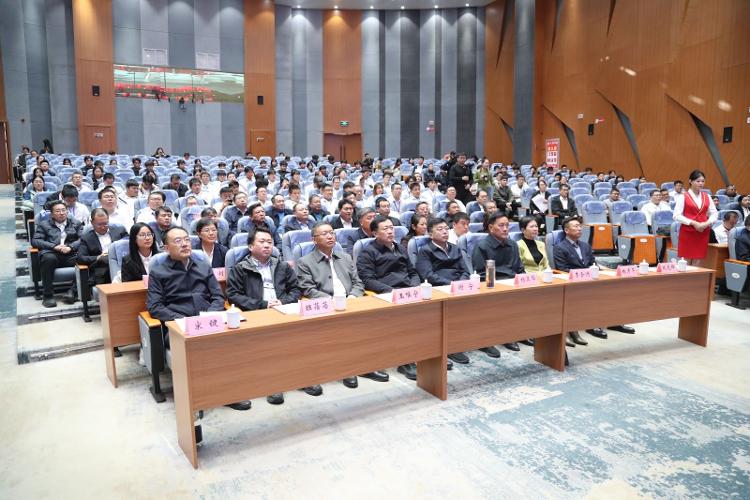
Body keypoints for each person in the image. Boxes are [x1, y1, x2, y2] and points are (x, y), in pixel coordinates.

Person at [147, 227, 250, 413]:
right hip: (179, 326)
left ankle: (228, 392)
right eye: (178, 241)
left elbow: (218, 297)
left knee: (233, 341)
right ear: (166, 248)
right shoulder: (158, 271)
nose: (184, 244)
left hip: (208, 320)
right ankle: (195, 398)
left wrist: (209, 315)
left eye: (186, 239)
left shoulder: (203, 265)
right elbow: (155, 307)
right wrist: (183, 321)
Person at [225, 227, 315, 404]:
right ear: (250, 246)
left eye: (269, 242)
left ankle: (302, 377)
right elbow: (233, 295)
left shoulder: (282, 266)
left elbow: (296, 289)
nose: (267, 245)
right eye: (262, 242)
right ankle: (273, 383)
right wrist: (264, 304)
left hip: (284, 311)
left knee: (302, 340)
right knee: (270, 347)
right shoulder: (240, 268)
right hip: (257, 314)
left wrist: (283, 302)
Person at [295, 222, 366, 388]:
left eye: (332, 233)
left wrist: (353, 296)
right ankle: (346, 368)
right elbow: (308, 289)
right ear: (314, 240)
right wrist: (332, 301)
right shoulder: (304, 262)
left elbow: (358, 282)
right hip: (326, 307)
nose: (330, 236)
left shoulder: (345, 257)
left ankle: (366, 366)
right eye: (325, 233)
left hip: (351, 303)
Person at [554, 216, 636, 345]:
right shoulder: (560, 247)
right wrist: (585, 274)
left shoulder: (585, 246)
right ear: (566, 230)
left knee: (615, 289)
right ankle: (588, 326)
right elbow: (562, 269)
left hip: (591, 281)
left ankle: (614, 322)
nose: (579, 228)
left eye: (580, 226)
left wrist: (605, 271)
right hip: (573, 283)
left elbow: (593, 264)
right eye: (575, 226)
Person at [356, 215, 420, 380]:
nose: (391, 231)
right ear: (375, 233)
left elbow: (412, 272)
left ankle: (430, 353)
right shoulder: (368, 252)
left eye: (392, 228)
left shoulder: (400, 248)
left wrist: (414, 287)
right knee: (404, 320)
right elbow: (367, 280)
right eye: (385, 229)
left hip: (407, 291)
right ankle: (405, 361)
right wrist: (391, 291)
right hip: (386, 295)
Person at [414, 217, 471, 365]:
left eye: (446, 228)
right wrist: (451, 285)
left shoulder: (455, 248)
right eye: (439, 229)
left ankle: (479, 340)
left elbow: (465, 270)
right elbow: (428, 275)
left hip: (459, 288)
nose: (444, 232)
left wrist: (461, 283)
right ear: (430, 234)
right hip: (439, 289)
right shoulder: (425, 251)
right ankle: (450, 347)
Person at [471, 212, 525, 354]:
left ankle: (522, 333)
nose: (505, 229)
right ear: (491, 227)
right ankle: (493, 338)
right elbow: (481, 274)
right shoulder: (482, 246)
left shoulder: (512, 244)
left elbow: (519, 268)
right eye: (501, 225)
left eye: (507, 225)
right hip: (492, 285)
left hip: (513, 284)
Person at [32, 200, 83, 307]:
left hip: (70, 254)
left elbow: (83, 239)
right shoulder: (44, 225)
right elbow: (36, 241)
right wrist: (54, 246)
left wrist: (71, 247)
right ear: (51, 214)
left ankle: (72, 292)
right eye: (58, 211)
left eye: (64, 210)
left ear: (67, 211)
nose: (61, 213)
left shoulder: (76, 223)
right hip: (52, 253)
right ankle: (48, 296)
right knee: (48, 259)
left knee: (87, 259)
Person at [673, 170, 718, 265]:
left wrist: (706, 223)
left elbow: (714, 213)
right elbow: (676, 215)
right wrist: (694, 223)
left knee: (698, 261)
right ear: (690, 181)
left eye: (703, 181)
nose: (701, 183)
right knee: (685, 262)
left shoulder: (707, 196)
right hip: (688, 231)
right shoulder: (683, 196)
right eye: (698, 181)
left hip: (703, 231)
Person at [77, 208, 128, 285]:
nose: (103, 227)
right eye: (99, 224)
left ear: (108, 220)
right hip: (100, 268)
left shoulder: (120, 231)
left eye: (105, 223)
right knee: (104, 260)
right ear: (92, 223)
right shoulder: (86, 238)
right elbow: (81, 258)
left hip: (121, 263)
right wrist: (97, 257)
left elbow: (128, 244)